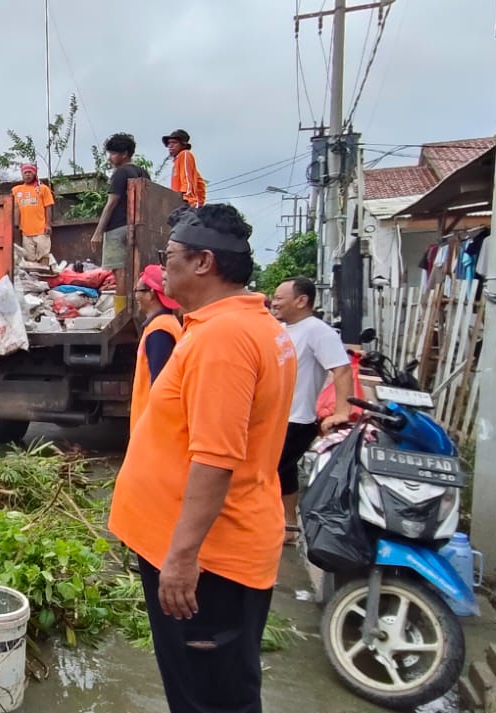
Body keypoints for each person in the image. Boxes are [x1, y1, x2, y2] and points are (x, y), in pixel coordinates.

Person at [106, 204, 295, 713]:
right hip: (212, 551)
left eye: (169, 255)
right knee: (209, 691)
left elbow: (215, 458)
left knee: (209, 701)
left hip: (210, 564)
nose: (162, 267)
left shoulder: (224, 338)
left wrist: (182, 558)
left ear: (204, 262)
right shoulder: (245, 325)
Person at [271, 276, 354, 540]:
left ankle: (270, 526)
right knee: (285, 472)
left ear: (301, 300)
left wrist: (342, 412)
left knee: (268, 473)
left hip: (297, 419)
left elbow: (341, 370)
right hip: (278, 416)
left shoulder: (318, 331)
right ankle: (288, 526)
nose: (274, 303)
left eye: (279, 298)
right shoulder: (284, 329)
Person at [128, 264, 182, 433]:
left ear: (151, 293)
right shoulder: (163, 324)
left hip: (153, 427)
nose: (136, 296)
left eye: (138, 290)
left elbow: (160, 385)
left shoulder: (159, 331)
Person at [90, 133, 151, 268]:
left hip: (117, 229)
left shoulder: (120, 172)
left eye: (113, 154)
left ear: (124, 154)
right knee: (136, 269)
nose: (109, 158)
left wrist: (98, 233)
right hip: (137, 228)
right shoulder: (143, 173)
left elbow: (111, 203)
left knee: (116, 270)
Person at [10, 163, 55, 263]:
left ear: (34, 173)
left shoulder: (43, 189)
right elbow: (15, 208)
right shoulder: (16, 190)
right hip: (25, 233)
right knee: (29, 260)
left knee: (44, 258)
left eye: (30, 172)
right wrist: (16, 226)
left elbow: (48, 207)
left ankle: (45, 272)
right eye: (25, 172)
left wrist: (48, 225)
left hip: (41, 231)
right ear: (22, 174)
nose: (27, 174)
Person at [163, 129, 207, 208]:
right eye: (169, 143)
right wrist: (201, 205)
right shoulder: (178, 161)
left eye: (174, 143)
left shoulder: (185, 154)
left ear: (183, 145)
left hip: (183, 204)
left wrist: (185, 200)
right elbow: (200, 183)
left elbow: (187, 180)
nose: (170, 146)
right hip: (179, 205)